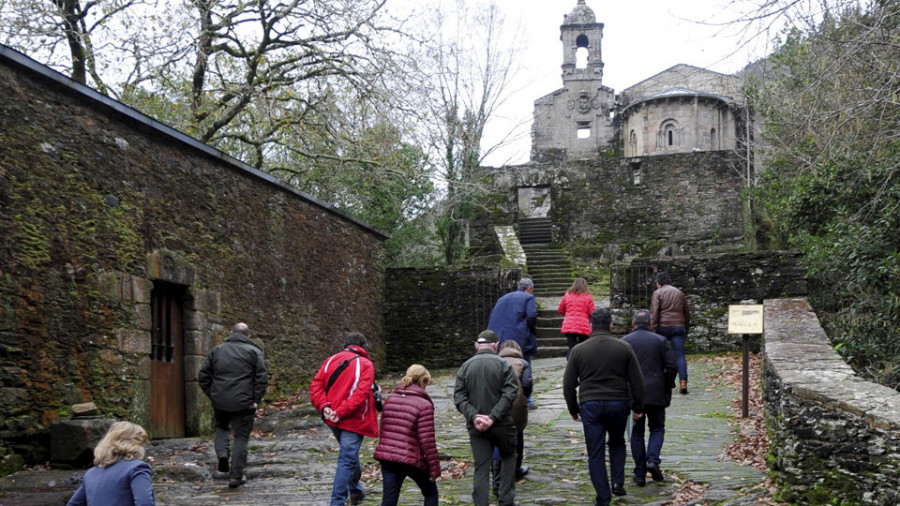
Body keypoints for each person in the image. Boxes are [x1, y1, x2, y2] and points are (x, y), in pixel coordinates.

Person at [563, 309, 645, 506]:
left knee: (595, 453)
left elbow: (569, 383)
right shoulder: (624, 347)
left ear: (591, 325)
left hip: (590, 403)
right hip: (618, 402)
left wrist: (573, 408)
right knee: (617, 442)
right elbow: (637, 380)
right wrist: (638, 406)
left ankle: (603, 496)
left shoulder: (579, 350)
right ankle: (617, 481)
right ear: (610, 325)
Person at [309, 332, 379, 506]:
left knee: (349, 455)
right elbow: (361, 393)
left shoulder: (330, 361)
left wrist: (325, 407)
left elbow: (316, 385)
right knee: (346, 459)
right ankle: (337, 502)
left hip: (332, 419)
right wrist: (340, 412)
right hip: (352, 420)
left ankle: (355, 490)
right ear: (363, 347)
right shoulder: (366, 364)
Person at [198, 322, 268, 489]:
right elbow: (261, 379)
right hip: (244, 402)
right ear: (248, 336)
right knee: (241, 438)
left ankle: (222, 453)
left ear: (231, 333)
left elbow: (203, 377)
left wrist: (213, 394)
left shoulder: (217, 351)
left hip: (220, 401)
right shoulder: (254, 352)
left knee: (221, 427)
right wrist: (256, 399)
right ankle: (236, 476)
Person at [454, 330, 520, 506]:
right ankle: (506, 499)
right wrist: (492, 417)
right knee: (508, 456)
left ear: (477, 346)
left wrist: (474, 416)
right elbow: (511, 392)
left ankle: (480, 503)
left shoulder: (465, 367)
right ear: (496, 346)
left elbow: (459, 397)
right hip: (501, 425)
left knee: (481, 466)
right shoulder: (503, 365)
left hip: (476, 427)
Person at [622, 309, 678, 486]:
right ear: (650, 323)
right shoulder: (660, 341)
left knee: (637, 433)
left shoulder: (625, 342)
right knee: (657, 428)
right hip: (656, 391)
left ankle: (639, 473)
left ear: (633, 323)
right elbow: (672, 366)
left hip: (634, 394)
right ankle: (653, 460)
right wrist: (666, 385)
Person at [373, 364, 440, 506]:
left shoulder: (390, 399)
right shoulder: (424, 405)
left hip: (388, 458)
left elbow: (384, 431)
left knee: (389, 500)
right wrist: (434, 469)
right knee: (430, 493)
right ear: (422, 382)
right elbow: (427, 440)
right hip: (411, 458)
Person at [66, 421, 154, 506]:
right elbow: (145, 503)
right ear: (136, 445)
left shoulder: (91, 473)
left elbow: (73, 504)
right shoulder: (137, 467)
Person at [487, 277, 539, 408]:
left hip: (498, 338)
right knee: (524, 367)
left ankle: (499, 399)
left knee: (500, 368)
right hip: (519, 338)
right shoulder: (528, 298)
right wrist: (531, 330)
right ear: (529, 289)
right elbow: (532, 315)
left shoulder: (503, 298)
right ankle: (527, 400)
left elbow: (492, 315)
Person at [491, 340, 533, 497]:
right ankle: (516, 469)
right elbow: (528, 384)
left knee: (496, 438)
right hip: (517, 406)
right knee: (518, 434)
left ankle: (496, 480)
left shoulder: (495, 362)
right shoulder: (522, 363)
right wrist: (523, 397)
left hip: (496, 406)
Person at [650, 271, 691, 394]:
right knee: (679, 355)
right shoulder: (680, 293)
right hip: (679, 326)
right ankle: (683, 382)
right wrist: (685, 328)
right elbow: (687, 313)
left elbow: (655, 312)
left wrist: (652, 329)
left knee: (660, 355)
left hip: (663, 327)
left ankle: (663, 381)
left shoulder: (657, 293)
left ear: (658, 283)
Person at [558, 277, 596, 358]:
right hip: (583, 325)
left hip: (569, 325)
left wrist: (569, 314)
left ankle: (571, 364)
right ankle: (581, 364)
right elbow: (592, 312)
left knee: (571, 346)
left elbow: (561, 310)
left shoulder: (567, 295)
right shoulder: (588, 297)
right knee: (582, 347)